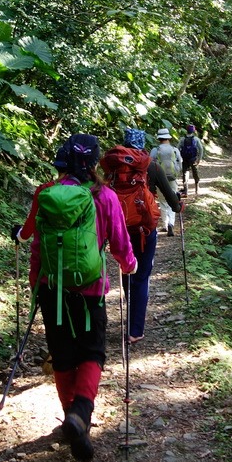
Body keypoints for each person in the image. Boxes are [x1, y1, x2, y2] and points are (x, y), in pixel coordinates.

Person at [11, 134, 137, 462]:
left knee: (63, 356)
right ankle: (81, 413)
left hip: (52, 290)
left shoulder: (45, 194)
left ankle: (70, 414)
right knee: (92, 352)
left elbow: (32, 239)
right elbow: (121, 245)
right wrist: (129, 265)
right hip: (90, 290)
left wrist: (35, 284)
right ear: (93, 163)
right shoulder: (104, 196)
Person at [101, 128, 181, 344]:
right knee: (142, 277)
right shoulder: (150, 166)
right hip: (144, 229)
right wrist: (178, 204)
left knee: (127, 270)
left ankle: (130, 312)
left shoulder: (114, 169)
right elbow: (171, 199)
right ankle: (135, 330)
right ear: (142, 144)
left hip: (119, 230)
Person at [150, 128, 182, 236]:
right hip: (172, 179)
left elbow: (150, 165)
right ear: (168, 138)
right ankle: (171, 224)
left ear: (159, 138)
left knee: (163, 202)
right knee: (173, 199)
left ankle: (165, 224)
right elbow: (180, 164)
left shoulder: (155, 150)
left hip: (160, 179)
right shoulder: (174, 150)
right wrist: (176, 174)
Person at [178, 124, 204, 195]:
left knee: (185, 173)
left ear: (187, 130)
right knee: (195, 173)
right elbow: (201, 149)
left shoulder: (182, 139)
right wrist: (199, 159)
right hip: (193, 159)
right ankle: (197, 190)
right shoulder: (196, 139)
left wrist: (179, 158)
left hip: (185, 159)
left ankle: (185, 191)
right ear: (194, 131)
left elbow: (177, 148)